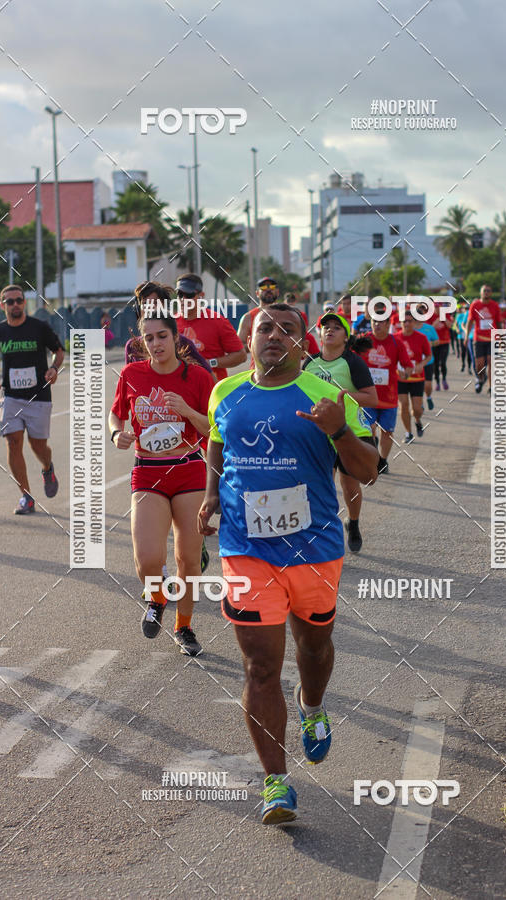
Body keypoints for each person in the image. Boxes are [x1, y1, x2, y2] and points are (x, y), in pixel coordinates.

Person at [198, 303, 378, 824]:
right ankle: (276, 782)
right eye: (264, 329)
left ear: (303, 342)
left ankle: (313, 706)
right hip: (245, 549)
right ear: (246, 338)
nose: (275, 336)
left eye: (287, 329)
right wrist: (211, 495)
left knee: (315, 648)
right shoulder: (225, 393)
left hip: (315, 549)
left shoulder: (325, 395)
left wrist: (341, 431)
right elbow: (216, 442)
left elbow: (367, 472)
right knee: (259, 665)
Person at [109, 311, 213, 656]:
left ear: (175, 338)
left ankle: (183, 626)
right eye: (148, 338)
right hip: (149, 472)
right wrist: (116, 433)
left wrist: (186, 410)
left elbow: (213, 430)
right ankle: (156, 596)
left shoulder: (197, 377)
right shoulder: (131, 374)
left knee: (188, 560)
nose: (155, 344)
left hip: (188, 470)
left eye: (162, 336)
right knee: (148, 559)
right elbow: (117, 413)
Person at [304, 312, 376, 552]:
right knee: (321, 484)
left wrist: (340, 398)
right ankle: (323, 532)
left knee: (350, 486)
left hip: (349, 432)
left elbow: (371, 397)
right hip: (318, 433)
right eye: (326, 327)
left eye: (337, 327)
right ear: (319, 333)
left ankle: (353, 523)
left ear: (346, 337)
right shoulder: (309, 363)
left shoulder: (352, 362)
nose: (330, 330)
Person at [0, 284, 63, 514]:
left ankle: (47, 467)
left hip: (39, 397)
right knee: (12, 442)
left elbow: (58, 350)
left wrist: (54, 368)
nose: (15, 304)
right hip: (12, 398)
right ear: (2, 305)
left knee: (38, 445)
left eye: (19, 300)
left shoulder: (39, 327)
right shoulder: (1, 330)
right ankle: (26, 497)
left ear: (24, 303)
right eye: (10, 301)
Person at [357, 301, 412, 470]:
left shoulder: (396, 343)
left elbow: (408, 365)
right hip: (367, 396)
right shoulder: (363, 340)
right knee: (369, 428)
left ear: (388, 324)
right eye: (374, 321)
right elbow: (349, 359)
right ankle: (372, 456)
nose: (377, 325)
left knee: (387, 432)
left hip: (389, 396)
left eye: (381, 322)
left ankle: (382, 460)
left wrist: (406, 373)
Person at [125, 282, 213, 376]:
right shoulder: (132, 347)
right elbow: (129, 382)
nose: (150, 308)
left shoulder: (183, 343)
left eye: (155, 302)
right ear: (138, 309)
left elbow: (209, 379)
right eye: (145, 303)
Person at [174, 273, 246, 381]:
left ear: (201, 295)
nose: (183, 299)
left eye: (188, 295)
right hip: (182, 389)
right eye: (180, 294)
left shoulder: (218, 321)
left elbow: (241, 356)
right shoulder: (170, 323)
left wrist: (210, 363)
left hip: (212, 390)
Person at [395, 308, 432, 442]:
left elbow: (428, 356)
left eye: (410, 321)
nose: (407, 324)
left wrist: (422, 364)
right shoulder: (395, 338)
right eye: (404, 321)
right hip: (400, 378)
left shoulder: (421, 338)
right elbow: (391, 357)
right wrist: (395, 367)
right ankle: (408, 433)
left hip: (417, 377)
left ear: (414, 322)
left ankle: (417, 420)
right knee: (403, 405)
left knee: (417, 409)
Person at [465, 284, 501, 394]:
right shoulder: (475, 305)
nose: (486, 292)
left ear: (491, 293)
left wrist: (500, 338)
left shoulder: (495, 305)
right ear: (481, 292)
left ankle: (491, 387)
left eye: (488, 290)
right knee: (479, 364)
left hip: (492, 339)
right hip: (478, 339)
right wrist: (466, 336)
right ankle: (481, 379)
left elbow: (498, 323)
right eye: (484, 290)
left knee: (491, 362)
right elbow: (470, 322)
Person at [237, 275, 280, 351]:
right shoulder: (248, 317)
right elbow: (238, 347)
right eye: (263, 288)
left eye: (272, 287)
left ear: (278, 292)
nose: (268, 290)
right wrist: (259, 344)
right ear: (257, 293)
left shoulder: (288, 315)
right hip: (258, 363)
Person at [413, 304, 439, 410]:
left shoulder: (429, 328)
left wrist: (429, 344)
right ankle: (421, 403)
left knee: (427, 385)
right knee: (418, 385)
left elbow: (437, 341)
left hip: (428, 361)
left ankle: (428, 397)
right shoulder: (410, 329)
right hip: (415, 362)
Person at [429, 302, 452, 390]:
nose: (437, 309)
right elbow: (430, 329)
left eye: (439, 307)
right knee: (435, 363)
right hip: (434, 343)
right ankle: (437, 382)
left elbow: (450, 326)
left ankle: (444, 379)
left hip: (444, 342)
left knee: (442, 363)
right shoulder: (430, 316)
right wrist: (438, 319)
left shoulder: (446, 315)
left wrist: (444, 318)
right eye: (436, 307)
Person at [455, 302, 471, 374]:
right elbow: (456, 324)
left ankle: (469, 367)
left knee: (469, 352)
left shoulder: (470, 316)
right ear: (463, 309)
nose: (466, 310)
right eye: (465, 308)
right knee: (463, 351)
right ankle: (463, 364)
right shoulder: (460, 315)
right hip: (461, 336)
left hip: (468, 336)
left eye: (468, 308)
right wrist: (457, 329)